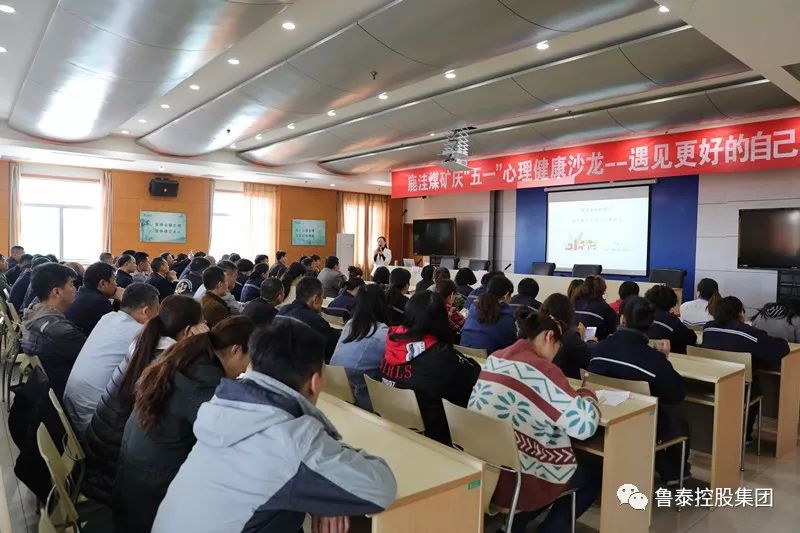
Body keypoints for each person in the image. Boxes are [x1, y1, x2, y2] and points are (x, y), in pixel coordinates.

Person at [152, 318, 397, 533]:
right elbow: (381, 488)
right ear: (315, 381)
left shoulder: (225, 407)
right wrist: (328, 490)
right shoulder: (290, 439)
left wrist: (325, 495)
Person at [114, 317, 254, 533]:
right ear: (236, 350)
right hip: (153, 498)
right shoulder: (205, 384)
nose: (244, 370)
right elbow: (233, 442)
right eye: (248, 362)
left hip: (133, 481)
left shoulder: (186, 357)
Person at [469, 309, 601, 533]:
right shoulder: (543, 369)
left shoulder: (496, 358)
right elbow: (585, 426)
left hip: (485, 471)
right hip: (517, 482)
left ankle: (512, 526)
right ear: (549, 336)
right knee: (591, 475)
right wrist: (587, 394)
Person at [82, 295, 205, 504]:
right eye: (201, 324)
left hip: (100, 453)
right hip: (115, 471)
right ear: (188, 331)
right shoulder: (165, 364)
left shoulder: (143, 343)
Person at [588, 296, 690, 485]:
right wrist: (664, 359)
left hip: (603, 415)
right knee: (678, 423)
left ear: (622, 319)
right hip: (641, 423)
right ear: (650, 324)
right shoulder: (653, 360)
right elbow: (677, 394)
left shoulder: (599, 349)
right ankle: (674, 473)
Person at [381, 291, 480, 444]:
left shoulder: (392, 343)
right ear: (441, 320)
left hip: (396, 424)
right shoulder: (442, 357)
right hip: (435, 436)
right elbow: (475, 374)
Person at [63, 283, 160, 435]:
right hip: (93, 425)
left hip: (71, 411)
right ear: (146, 311)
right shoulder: (140, 333)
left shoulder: (107, 318)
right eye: (157, 310)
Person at [703, 295, 790, 442]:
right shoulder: (749, 333)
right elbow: (779, 349)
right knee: (755, 388)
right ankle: (745, 435)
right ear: (740, 313)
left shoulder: (708, 329)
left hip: (710, 382)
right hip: (740, 387)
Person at [20, 263, 86, 399]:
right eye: (71, 285)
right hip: (69, 393)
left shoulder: (33, 312)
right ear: (56, 292)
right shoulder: (60, 330)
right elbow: (91, 355)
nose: (75, 289)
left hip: (46, 388)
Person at [331, 284, 389, 411]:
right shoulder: (382, 333)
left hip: (336, 387)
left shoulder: (350, 324)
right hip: (360, 396)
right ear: (382, 304)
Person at [278, 277, 341, 359]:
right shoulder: (314, 320)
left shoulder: (283, 310)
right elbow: (333, 345)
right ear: (316, 299)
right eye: (322, 297)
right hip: (297, 364)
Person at [540, 293, 594, 379]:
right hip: (564, 383)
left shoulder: (536, 332)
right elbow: (588, 360)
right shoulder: (569, 337)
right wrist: (590, 342)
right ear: (568, 314)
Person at [460, 276, 516, 353]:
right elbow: (511, 343)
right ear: (506, 295)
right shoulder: (505, 315)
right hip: (488, 358)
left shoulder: (473, 307)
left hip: (464, 353)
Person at [64, 262, 122, 336]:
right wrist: (123, 298)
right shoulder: (98, 302)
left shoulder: (80, 294)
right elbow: (120, 329)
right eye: (114, 280)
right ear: (102, 283)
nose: (116, 284)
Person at [646, 284, 697, 354]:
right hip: (669, 357)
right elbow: (691, 339)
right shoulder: (673, 323)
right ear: (672, 303)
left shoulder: (639, 318)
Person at [573, 276, 617, 340]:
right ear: (602, 291)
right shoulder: (606, 309)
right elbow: (612, 331)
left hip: (571, 342)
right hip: (595, 344)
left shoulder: (574, 303)